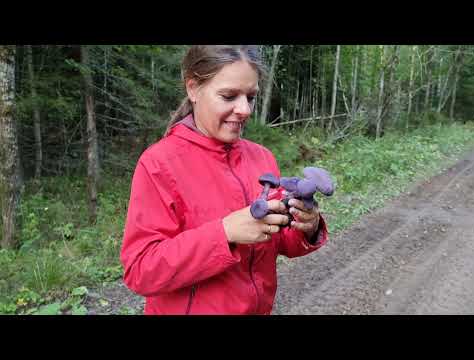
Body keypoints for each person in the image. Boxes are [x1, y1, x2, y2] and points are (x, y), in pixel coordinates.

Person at [120, 45, 329, 315]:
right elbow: (141, 270)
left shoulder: (261, 158)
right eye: (229, 96)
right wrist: (224, 233)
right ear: (193, 89)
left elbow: (278, 241)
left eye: (251, 97)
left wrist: (306, 226)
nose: (244, 109)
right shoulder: (160, 164)